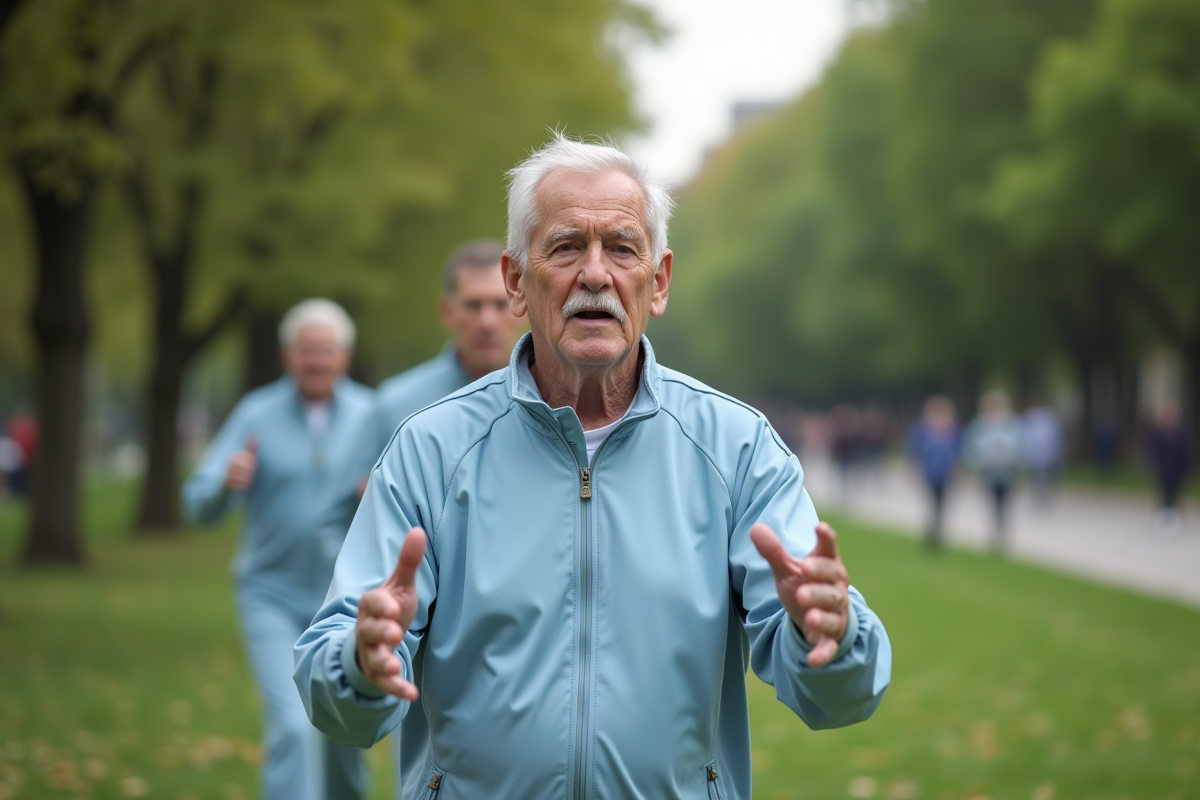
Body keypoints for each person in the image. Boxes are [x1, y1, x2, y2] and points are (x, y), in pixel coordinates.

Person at [295, 135, 891, 800]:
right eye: (566, 246)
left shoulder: (736, 448)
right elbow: (335, 693)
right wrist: (360, 660)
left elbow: (837, 696)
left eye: (622, 247)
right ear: (516, 281)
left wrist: (830, 637)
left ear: (657, 281)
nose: (596, 274)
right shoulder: (430, 449)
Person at [314, 239, 525, 790]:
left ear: (521, 302)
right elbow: (338, 517)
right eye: (472, 305)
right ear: (447, 311)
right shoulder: (396, 405)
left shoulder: (553, 400)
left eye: (498, 304)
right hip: (409, 621)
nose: (486, 320)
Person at [183, 299, 374, 800]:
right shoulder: (256, 414)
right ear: (288, 356)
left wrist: (373, 493)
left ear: (344, 356)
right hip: (270, 598)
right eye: (306, 351)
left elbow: (405, 496)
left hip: (342, 601)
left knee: (344, 735)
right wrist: (227, 484)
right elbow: (197, 505)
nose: (316, 361)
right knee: (292, 727)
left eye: (326, 351)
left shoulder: (371, 414)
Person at [963, 390, 1024, 553]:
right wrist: (982, 461)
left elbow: (1022, 447)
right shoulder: (978, 425)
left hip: (1008, 471)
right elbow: (970, 449)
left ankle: (1003, 535)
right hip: (987, 472)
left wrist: (1009, 459)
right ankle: (995, 535)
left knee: (1005, 504)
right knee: (992, 504)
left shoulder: (1013, 425)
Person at [906, 395, 960, 550]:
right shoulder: (923, 428)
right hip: (929, 472)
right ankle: (932, 532)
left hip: (945, 473)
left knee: (942, 504)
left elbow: (958, 451)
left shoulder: (953, 429)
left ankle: (938, 533)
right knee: (931, 503)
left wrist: (957, 470)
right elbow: (915, 449)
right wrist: (914, 468)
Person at [1147, 401, 1193, 537]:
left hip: (1178, 471)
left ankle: (1176, 521)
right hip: (1162, 471)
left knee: (1175, 496)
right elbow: (1152, 452)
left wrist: (1190, 468)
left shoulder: (1181, 433)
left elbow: (1187, 452)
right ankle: (1161, 521)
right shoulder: (1157, 433)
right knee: (1164, 496)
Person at [1022, 398, 1063, 506]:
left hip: (1046, 455)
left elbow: (1055, 439)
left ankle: (1044, 496)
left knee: (1045, 477)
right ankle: (1040, 496)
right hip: (1035, 455)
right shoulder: (1030, 419)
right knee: (1037, 477)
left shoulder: (1049, 420)